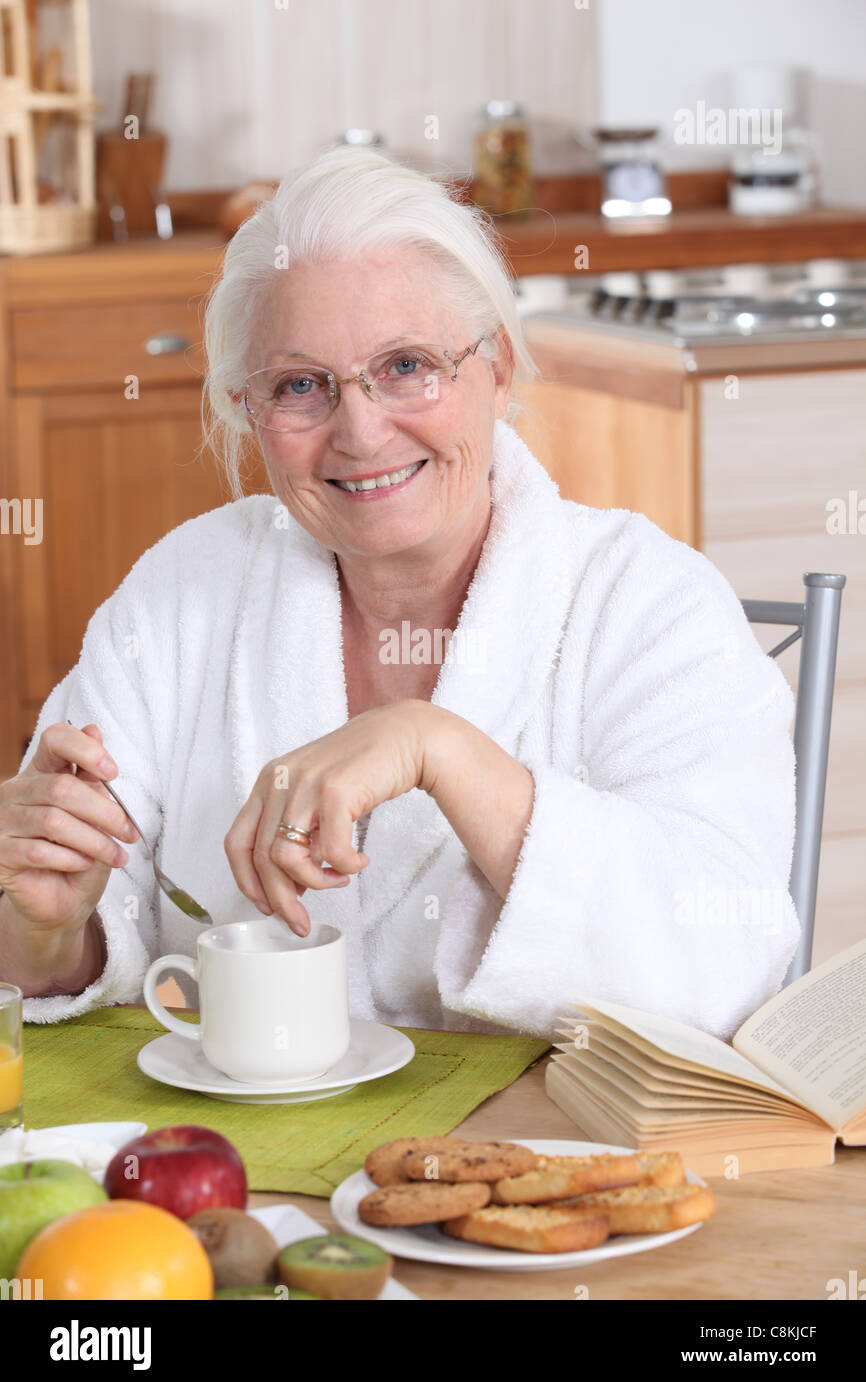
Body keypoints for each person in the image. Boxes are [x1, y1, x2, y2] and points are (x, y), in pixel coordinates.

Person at [0, 147, 800, 1041]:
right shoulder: (183, 594)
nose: (363, 431)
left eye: (407, 364)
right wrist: (43, 931)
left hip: (558, 1162)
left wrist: (439, 749)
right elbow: (78, 948)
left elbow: (731, 963)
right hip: (249, 1166)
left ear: (496, 368)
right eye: (300, 386)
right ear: (247, 410)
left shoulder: (647, 601)